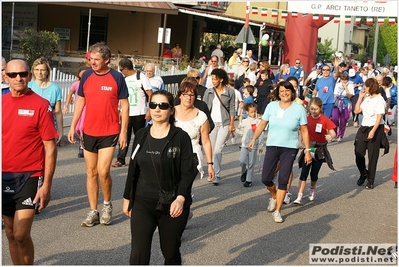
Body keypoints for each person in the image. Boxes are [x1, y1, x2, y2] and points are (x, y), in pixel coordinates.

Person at [123, 90, 195, 265]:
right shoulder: (141, 134)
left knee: (170, 252)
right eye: (153, 105)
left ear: (171, 110)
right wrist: (127, 197)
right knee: (138, 253)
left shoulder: (181, 138)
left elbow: (188, 172)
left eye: (163, 106)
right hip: (142, 202)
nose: (157, 109)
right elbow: (133, 168)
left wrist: (180, 198)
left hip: (171, 204)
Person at [67, 42, 129, 226]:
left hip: (109, 131)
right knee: (91, 173)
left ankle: (107, 205)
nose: (92, 62)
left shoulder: (117, 77)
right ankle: (93, 210)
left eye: (96, 59)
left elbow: (125, 106)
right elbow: (80, 102)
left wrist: (124, 132)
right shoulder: (86, 76)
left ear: (107, 60)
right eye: (90, 59)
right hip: (89, 131)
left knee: (103, 172)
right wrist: (72, 126)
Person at [2, 59, 58, 265]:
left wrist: (47, 186)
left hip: (30, 176)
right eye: (13, 75)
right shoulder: (1, 103)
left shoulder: (41, 105)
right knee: (9, 232)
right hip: (3, 175)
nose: (19, 78)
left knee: (20, 234)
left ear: (29, 76)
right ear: (5, 77)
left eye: (23, 74)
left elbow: (50, 149)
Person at [248, 81, 312, 223]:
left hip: (290, 147)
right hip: (272, 145)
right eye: (282, 91)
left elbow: (305, 130)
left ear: (292, 92)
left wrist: (308, 150)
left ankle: (278, 211)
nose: (285, 93)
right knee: (266, 178)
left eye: (287, 91)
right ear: (278, 93)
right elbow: (263, 124)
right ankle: (275, 196)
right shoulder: (271, 106)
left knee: (283, 178)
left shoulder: (299, 108)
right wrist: (253, 139)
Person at [293, 97, 336, 204]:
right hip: (308, 148)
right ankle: (299, 196)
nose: (313, 111)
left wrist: (331, 136)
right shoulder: (306, 118)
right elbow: (302, 132)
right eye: (311, 109)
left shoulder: (325, 119)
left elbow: (333, 132)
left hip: (319, 150)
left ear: (320, 108)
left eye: (316, 109)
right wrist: (300, 142)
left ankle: (312, 188)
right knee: (304, 172)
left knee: (314, 174)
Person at [112, 58, 152, 168]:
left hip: (139, 113)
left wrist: (149, 110)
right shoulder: (123, 79)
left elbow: (150, 93)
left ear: (126, 69)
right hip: (126, 113)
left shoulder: (141, 77)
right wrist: (119, 110)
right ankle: (121, 159)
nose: (120, 71)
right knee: (123, 135)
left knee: (139, 137)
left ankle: (137, 159)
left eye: (121, 69)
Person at [354, 78, 389, 189]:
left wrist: (373, 131)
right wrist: (360, 98)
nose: (365, 88)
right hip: (364, 127)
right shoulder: (367, 98)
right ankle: (364, 173)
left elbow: (379, 117)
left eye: (366, 86)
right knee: (358, 153)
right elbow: (357, 111)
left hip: (376, 128)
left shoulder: (379, 99)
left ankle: (371, 180)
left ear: (371, 87)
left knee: (372, 156)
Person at [175, 82, 214, 180]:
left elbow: (206, 142)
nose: (189, 97)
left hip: (193, 155)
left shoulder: (201, 116)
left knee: (184, 185)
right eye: (185, 94)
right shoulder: (170, 112)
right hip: (172, 154)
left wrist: (210, 164)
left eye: (192, 95)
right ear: (180, 95)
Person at [203, 69, 235, 185]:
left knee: (217, 149)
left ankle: (217, 174)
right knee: (211, 149)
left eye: (215, 79)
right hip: (211, 124)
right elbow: (204, 108)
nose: (213, 81)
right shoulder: (209, 92)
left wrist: (232, 124)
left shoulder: (230, 92)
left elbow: (232, 109)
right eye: (212, 79)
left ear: (221, 79)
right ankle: (211, 171)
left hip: (224, 124)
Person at [29, 57, 63, 146]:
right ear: (33, 71)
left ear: (47, 71)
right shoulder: (28, 86)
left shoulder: (55, 89)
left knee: (48, 156)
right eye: (37, 69)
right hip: (31, 128)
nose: (39, 73)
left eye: (42, 70)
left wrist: (60, 130)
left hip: (49, 127)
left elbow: (58, 112)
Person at [236, 103, 263, 187]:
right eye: (251, 112)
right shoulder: (244, 122)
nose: (253, 113)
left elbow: (261, 134)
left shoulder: (258, 122)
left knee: (251, 163)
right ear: (247, 112)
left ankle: (249, 180)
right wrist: (235, 130)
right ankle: (244, 171)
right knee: (242, 160)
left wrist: (261, 145)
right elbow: (241, 132)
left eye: (254, 111)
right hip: (244, 144)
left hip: (254, 145)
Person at [62, 68, 88, 158]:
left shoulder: (90, 84)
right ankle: (82, 143)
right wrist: (66, 106)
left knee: (81, 128)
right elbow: (70, 95)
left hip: (87, 108)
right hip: (78, 108)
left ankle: (82, 146)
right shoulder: (76, 84)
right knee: (77, 128)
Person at [331, 73, 354, 142]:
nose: (344, 81)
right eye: (342, 80)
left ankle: (340, 135)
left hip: (346, 103)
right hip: (337, 102)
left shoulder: (350, 85)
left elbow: (350, 96)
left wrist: (345, 87)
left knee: (343, 120)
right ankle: (334, 134)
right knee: (334, 118)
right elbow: (335, 94)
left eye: (345, 80)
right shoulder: (338, 85)